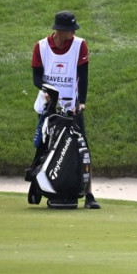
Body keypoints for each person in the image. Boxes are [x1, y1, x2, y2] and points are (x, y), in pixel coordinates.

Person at [31, 11, 99, 209]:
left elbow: (83, 76)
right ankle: (40, 188)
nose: (73, 33)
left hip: (72, 107)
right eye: (70, 30)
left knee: (82, 146)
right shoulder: (41, 47)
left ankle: (89, 194)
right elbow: (36, 77)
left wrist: (82, 101)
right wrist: (45, 91)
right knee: (44, 147)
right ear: (60, 31)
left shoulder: (79, 45)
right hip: (48, 106)